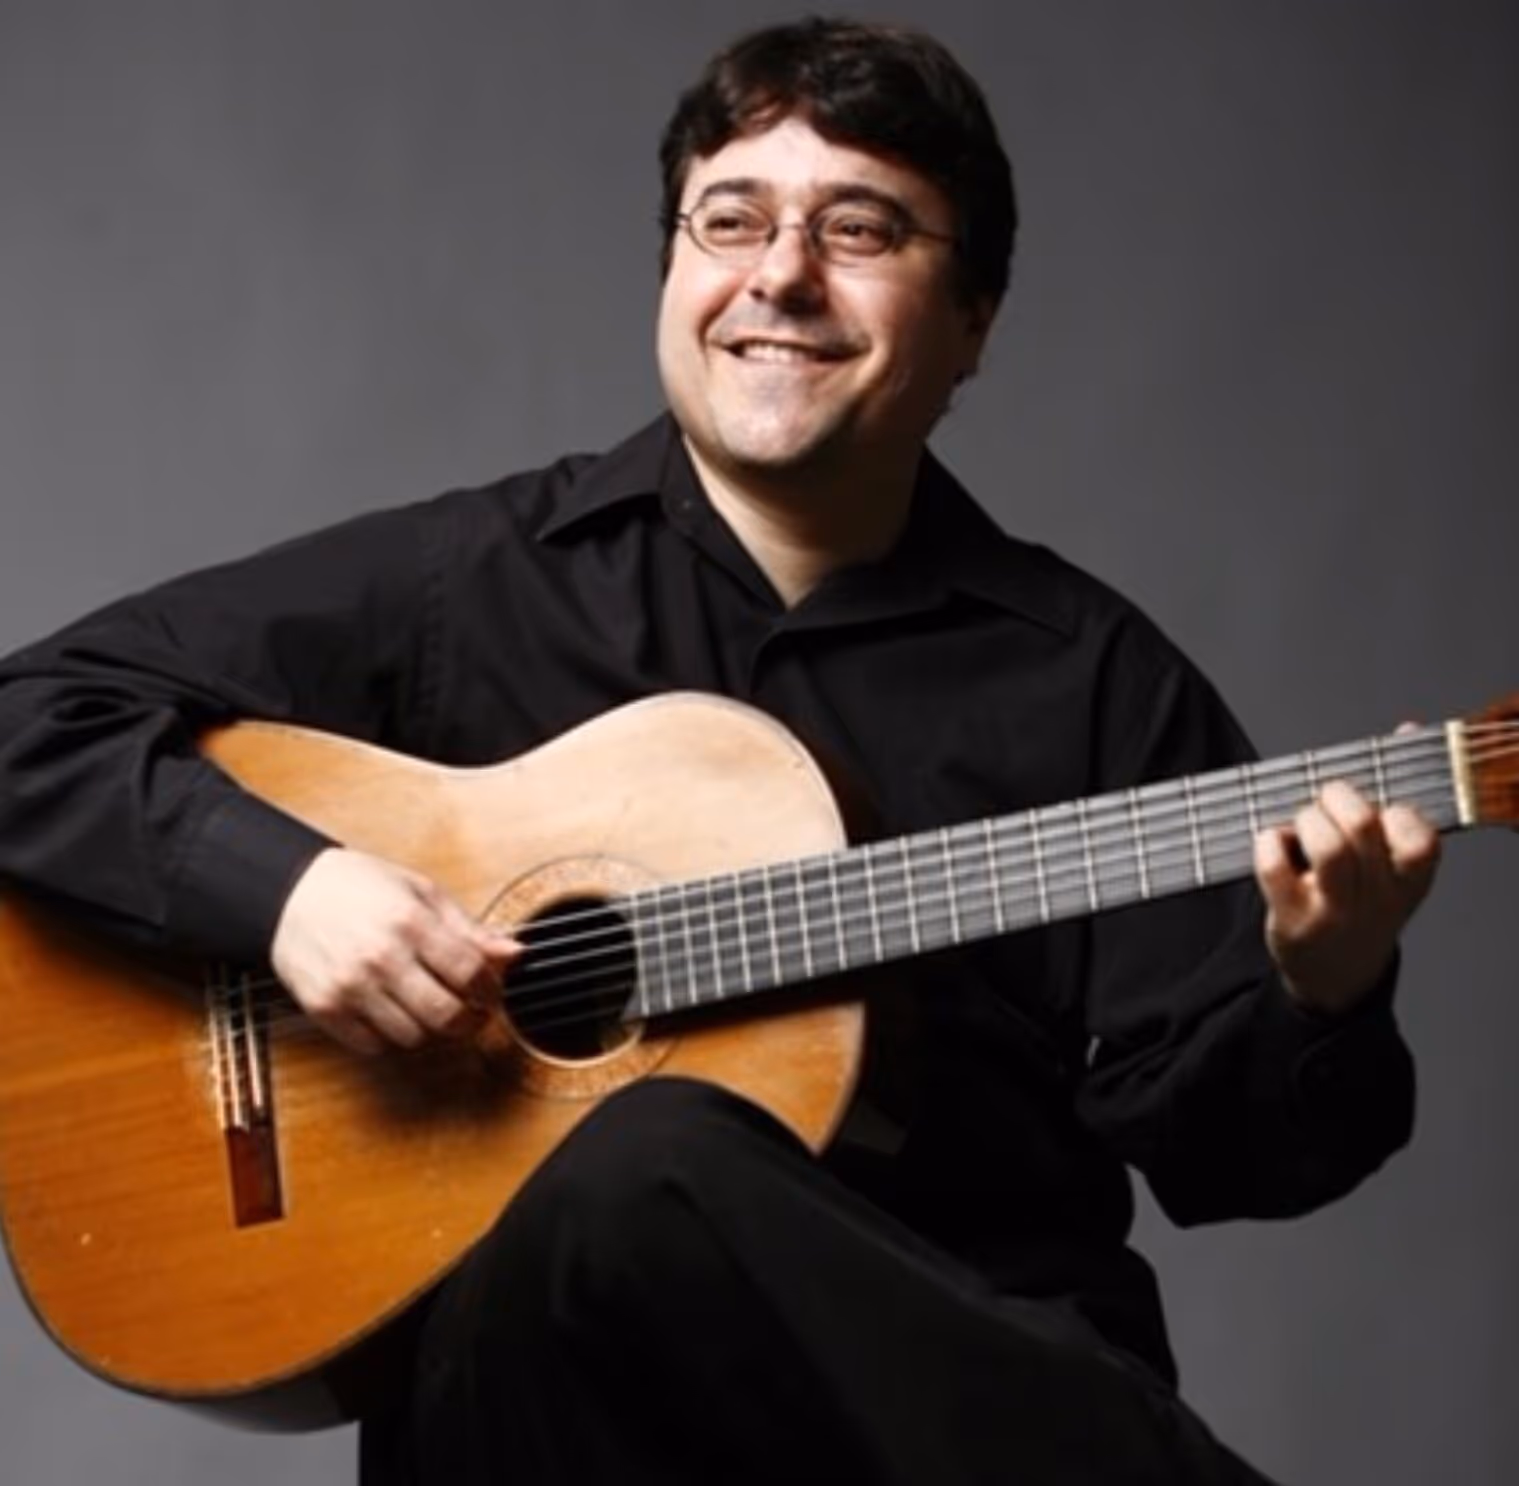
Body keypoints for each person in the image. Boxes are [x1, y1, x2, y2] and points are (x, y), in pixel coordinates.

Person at [0, 17, 1440, 1485]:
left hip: (945, 1427)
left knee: (649, 1161)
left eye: (860, 226)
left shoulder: (1091, 681)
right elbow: (22, 720)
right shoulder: (467, 585)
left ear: (977, 315)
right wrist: (288, 890)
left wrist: (1320, 986)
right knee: (621, 1168)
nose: (780, 275)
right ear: (673, 269)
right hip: (547, 1424)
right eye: (729, 218)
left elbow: (1239, 1164)